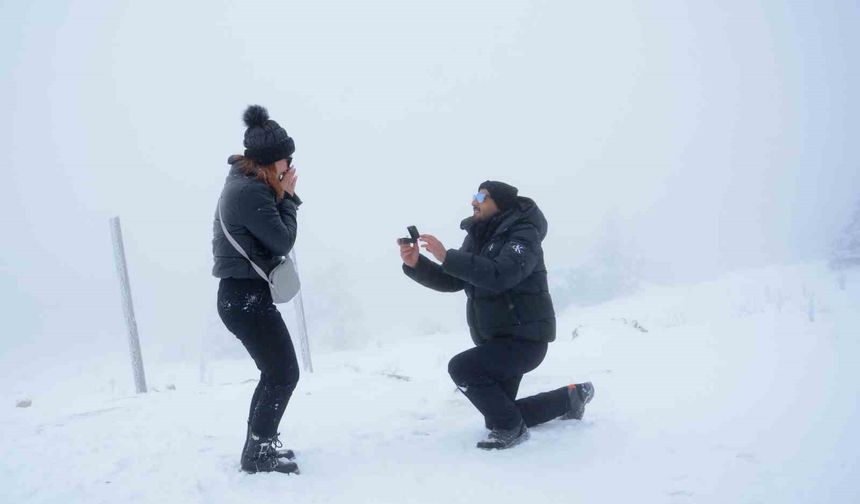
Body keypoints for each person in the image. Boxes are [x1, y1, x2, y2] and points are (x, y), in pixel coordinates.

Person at [400, 181, 594, 450]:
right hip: (496, 341)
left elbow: (502, 274)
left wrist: (447, 255)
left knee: (463, 368)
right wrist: (417, 264)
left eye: (481, 196)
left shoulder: (524, 234)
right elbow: (454, 280)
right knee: (499, 415)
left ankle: (513, 430)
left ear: (500, 202)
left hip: (525, 341)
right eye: (473, 196)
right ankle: (570, 398)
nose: (473, 202)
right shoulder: (479, 236)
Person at [212, 105, 302, 474]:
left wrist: (279, 193)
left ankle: (258, 446)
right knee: (284, 373)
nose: (290, 166)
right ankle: (258, 452)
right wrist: (290, 198)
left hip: (243, 296)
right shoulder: (251, 192)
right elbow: (282, 241)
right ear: (269, 162)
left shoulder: (248, 184)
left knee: (275, 372)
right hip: (244, 298)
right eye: (286, 159)